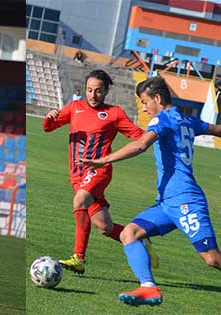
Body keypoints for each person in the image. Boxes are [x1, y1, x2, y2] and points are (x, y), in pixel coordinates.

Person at [79, 76, 221, 306]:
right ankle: (148, 288)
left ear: (158, 98)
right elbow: (216, 129)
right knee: (129, 234)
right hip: (167, 203)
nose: (143, 108)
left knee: (212, 259)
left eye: (145, 102)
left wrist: (104, 160)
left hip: (185, 200)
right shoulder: (187, 119)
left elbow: (140, 145)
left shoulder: (162, 119)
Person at [43, 69, 157, 274]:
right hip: (77, 176)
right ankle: (138, 239)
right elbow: (49, 127)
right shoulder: (74, 107)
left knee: (80, 200)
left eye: (98, 91)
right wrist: (50, 118)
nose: (93, 95)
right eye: (89, 90)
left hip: (99, 170)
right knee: (105, 226)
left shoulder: (114, 113)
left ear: (105, 92)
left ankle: (79, 258)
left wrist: (159, 134)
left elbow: (139, 135)